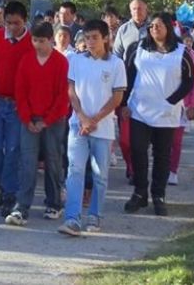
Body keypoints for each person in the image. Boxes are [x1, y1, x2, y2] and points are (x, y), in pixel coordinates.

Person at [57, 19, 126, 236]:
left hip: (102, 129)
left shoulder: (116, 64)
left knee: (100, 174)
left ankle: (95, 215)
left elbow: (117, 98)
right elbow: (71, 91)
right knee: (75, 170)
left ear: (105, 38)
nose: (90, 42)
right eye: (87, 38)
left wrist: (94, 119)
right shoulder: (76, 61)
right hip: (79, 125)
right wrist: (82, 116)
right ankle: (72, 218)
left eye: (95, 37)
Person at [122, 12, 194, 217]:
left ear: (169, 28)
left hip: (166, 113)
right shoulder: (139, 49)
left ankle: (158, 195)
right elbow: (129, 75)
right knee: (138, 151)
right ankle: (139, 192)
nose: (155, 29)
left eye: (159, 26)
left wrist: (172, 100)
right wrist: (124, 103)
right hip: (140, 111)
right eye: (152, 26)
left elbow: (189, 80)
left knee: (162, 156)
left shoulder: (181, 52)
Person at [5, 22, 69, 226]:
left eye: (42, 41)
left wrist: (47, 120)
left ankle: (54, 202)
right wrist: (27, 118)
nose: (38, 45)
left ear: (51, 40)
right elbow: (20, 92)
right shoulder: (26, 60)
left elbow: (62, 97)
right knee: (28, 163)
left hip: (53, 120)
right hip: (29, 120)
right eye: (35, 40)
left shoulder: (61, 62)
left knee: (53, 160)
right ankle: (21, 207)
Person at [0, 0, 34, 217]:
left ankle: (9, 193)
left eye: (16, 23)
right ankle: (3, 185)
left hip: (17, 106)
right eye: (8, 23)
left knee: (13, 150)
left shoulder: (32, 42)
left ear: (24, 21)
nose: (12, 27)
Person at [113, 0, 149, 184]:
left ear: (146, 9)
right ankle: (131, 166)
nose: (137, 12)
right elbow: (117, 57)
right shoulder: (123, 30)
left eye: (140, 8)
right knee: (125, 139)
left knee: (141, 138)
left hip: (147, 89)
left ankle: (138, 169)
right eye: (134, 9)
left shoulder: (154, 29)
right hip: (126, 87)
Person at [168, 34, 194, 186]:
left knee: (176, 142)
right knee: (161, 143)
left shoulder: (186, 59)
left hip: (181, 107)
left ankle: (173, 171)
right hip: (161, 109)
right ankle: (163, 168)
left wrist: (192, 105)